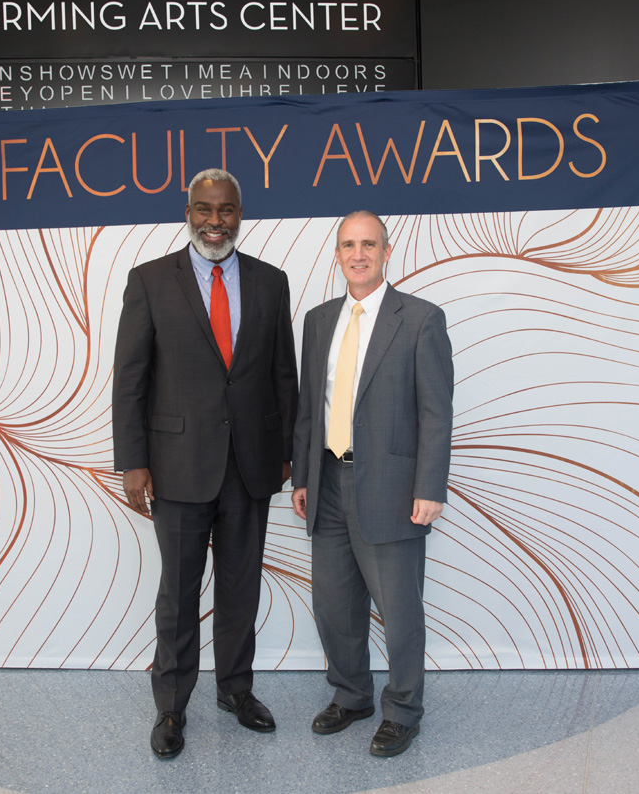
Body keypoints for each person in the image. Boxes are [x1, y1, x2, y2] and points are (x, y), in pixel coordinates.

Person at [112, 168, 298, 759]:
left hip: (250, 464)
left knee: (240, 587)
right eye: (204, 209)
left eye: (226, 211)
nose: (215, 221)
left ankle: (235, 691)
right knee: (179, 591)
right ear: (187, 210)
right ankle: (171, 706)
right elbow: (130, 380)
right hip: (176, 465)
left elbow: (282, 376)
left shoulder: (271, 282)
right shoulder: (149, 281)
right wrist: (134, 462)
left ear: (240, 214)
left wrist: (287, 450)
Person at [291, 210, 453, 757]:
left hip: (392, 487)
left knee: (399, 607)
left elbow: (436, 412)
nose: (357, 254)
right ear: (336, 254)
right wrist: (302, 476)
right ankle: (352, 695)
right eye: (347, 245)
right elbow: (309, 409)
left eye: (368, 244)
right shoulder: (318, 321)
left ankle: (403, 709)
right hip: (328, 483)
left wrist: (430, 486)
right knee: (334, 606)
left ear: (387, 251)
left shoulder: (421, 320)